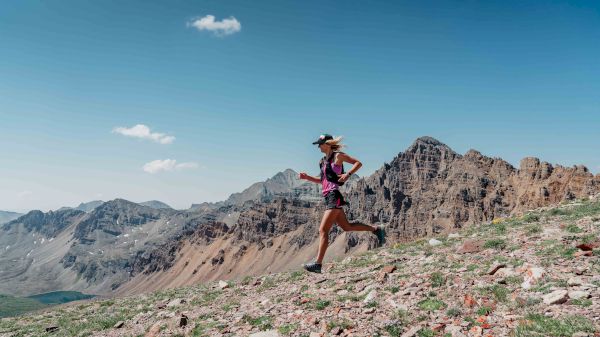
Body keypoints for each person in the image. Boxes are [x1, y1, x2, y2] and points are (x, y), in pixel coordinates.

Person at [298, 134, 385, 273]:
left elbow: (358, 163)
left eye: (320, 144)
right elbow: (323, 180)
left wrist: (348, 174)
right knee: (347, 226)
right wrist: (307, 177)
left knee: (323, 230)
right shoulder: (322, 161)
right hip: (327, 196)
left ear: (327, 143)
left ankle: (318, 264)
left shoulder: (338, 156)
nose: (318, 147)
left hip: (334, 195)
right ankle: (376, 230)